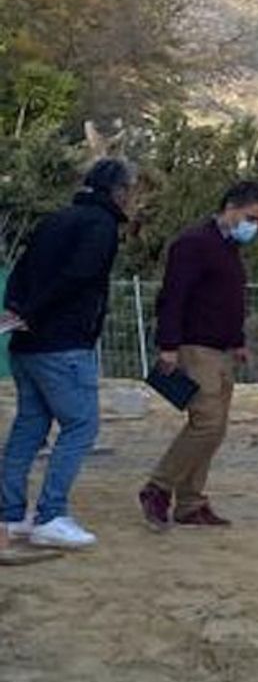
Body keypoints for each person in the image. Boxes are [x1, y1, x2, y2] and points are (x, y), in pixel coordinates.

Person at [1, 155, 140, 553]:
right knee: (81, 426)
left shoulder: (55, 220)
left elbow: (21, 270)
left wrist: (19, 313)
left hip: (26, 344)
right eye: (130, 190)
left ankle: (10, 515)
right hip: (63, 344)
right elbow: (78, 278)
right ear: (118, 191)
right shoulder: (101, 227)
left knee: (29, 427)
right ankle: (50, 515)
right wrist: (37, 313)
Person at [139, 177, 258, 532]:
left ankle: (190, 502)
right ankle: (159, 487)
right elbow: (174, 296)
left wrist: (238, 340)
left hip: (221, 349)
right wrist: (169, 345)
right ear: (231, 208)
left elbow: (227, 301)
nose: (253, 226)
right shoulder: (194, 243)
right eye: (251, 217)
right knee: (207, 424)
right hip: (195, 347)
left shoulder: (227, 248)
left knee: (215, 428)